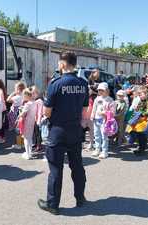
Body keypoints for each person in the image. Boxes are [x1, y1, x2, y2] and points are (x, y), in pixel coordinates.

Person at [37, 51, 89, 215]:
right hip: (75, 130)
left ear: (63, 64)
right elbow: (85, 109)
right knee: (77, 166)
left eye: (59, 63)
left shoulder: (56, 83)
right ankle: (80, 198)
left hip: (58, 131)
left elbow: (47, 112)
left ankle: (52, 204)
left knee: (56, 169)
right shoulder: (82, 83)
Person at [90, 82, 115, 159]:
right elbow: (94, 108)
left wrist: (105, 113)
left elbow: (113, 112)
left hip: (105, 121)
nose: (100, 91)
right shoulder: (97, 99)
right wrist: (92, 115)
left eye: (102, 90)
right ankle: (97, 149)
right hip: (96, 120)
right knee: (96, 135)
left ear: (107, 90)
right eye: (99, 90)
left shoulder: (110, 100)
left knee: (104, 136)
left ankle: (104, 151)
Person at [18, 88, 37, 159]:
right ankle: (30, 152)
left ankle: (27, 154)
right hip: (32, 122)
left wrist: (20, 113)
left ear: (26, 95)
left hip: (26, 122)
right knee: (30, 137)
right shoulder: (34, 102)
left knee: (26, 138)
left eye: (24, 95)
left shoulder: (27, 104)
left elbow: (22, 114)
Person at [7, 82, 26, 149]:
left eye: (15, 88)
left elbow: (8, 100)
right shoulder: (24, 96)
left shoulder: (16, 97)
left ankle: (18, 145)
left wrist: (12, 93)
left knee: (17, 130)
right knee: (22, 129)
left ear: (18, 89)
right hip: (22, 113)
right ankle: (23, 144)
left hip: (15, 114)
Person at [32, 85, 44, 153]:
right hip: (35, 119)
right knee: (36, 133)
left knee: (38, 134)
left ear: (37, 93)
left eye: (34, 93)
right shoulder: (36, 100)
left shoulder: (39, 101)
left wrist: (39, 120)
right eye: (32, 93)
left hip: (38, 120)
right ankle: (36, 144)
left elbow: (40, 112)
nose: (33, 95)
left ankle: (39, 146)